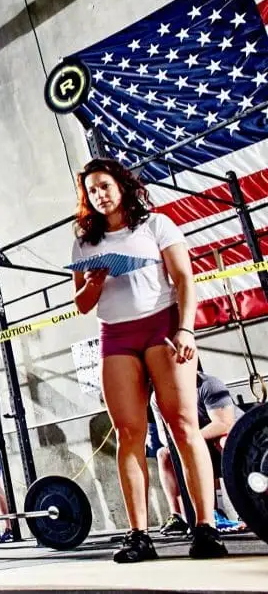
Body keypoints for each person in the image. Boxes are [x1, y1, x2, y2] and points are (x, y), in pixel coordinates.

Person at [70, 157, 226, 562]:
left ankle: (205, 528)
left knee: (183, 424)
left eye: (104, 186)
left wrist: (186, 328)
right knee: (129, 433)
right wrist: (93, 283)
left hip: (163, 326)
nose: (100, 195)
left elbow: (184, 279)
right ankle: (139, 535)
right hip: (116, 335)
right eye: (92, 191)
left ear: (120, 185)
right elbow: (83, 305)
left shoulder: (155, 225)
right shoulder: (85, 242)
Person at [155, 364, 243, 535]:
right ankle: (178, 516)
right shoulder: (157, 397)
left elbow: (223, 424)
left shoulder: (208, 384)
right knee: (164, 454)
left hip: (233, 440)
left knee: (223, 441)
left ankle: (247, 506)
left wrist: (191, 440)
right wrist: (188, 442)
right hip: (197, 442)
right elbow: (164, 437)